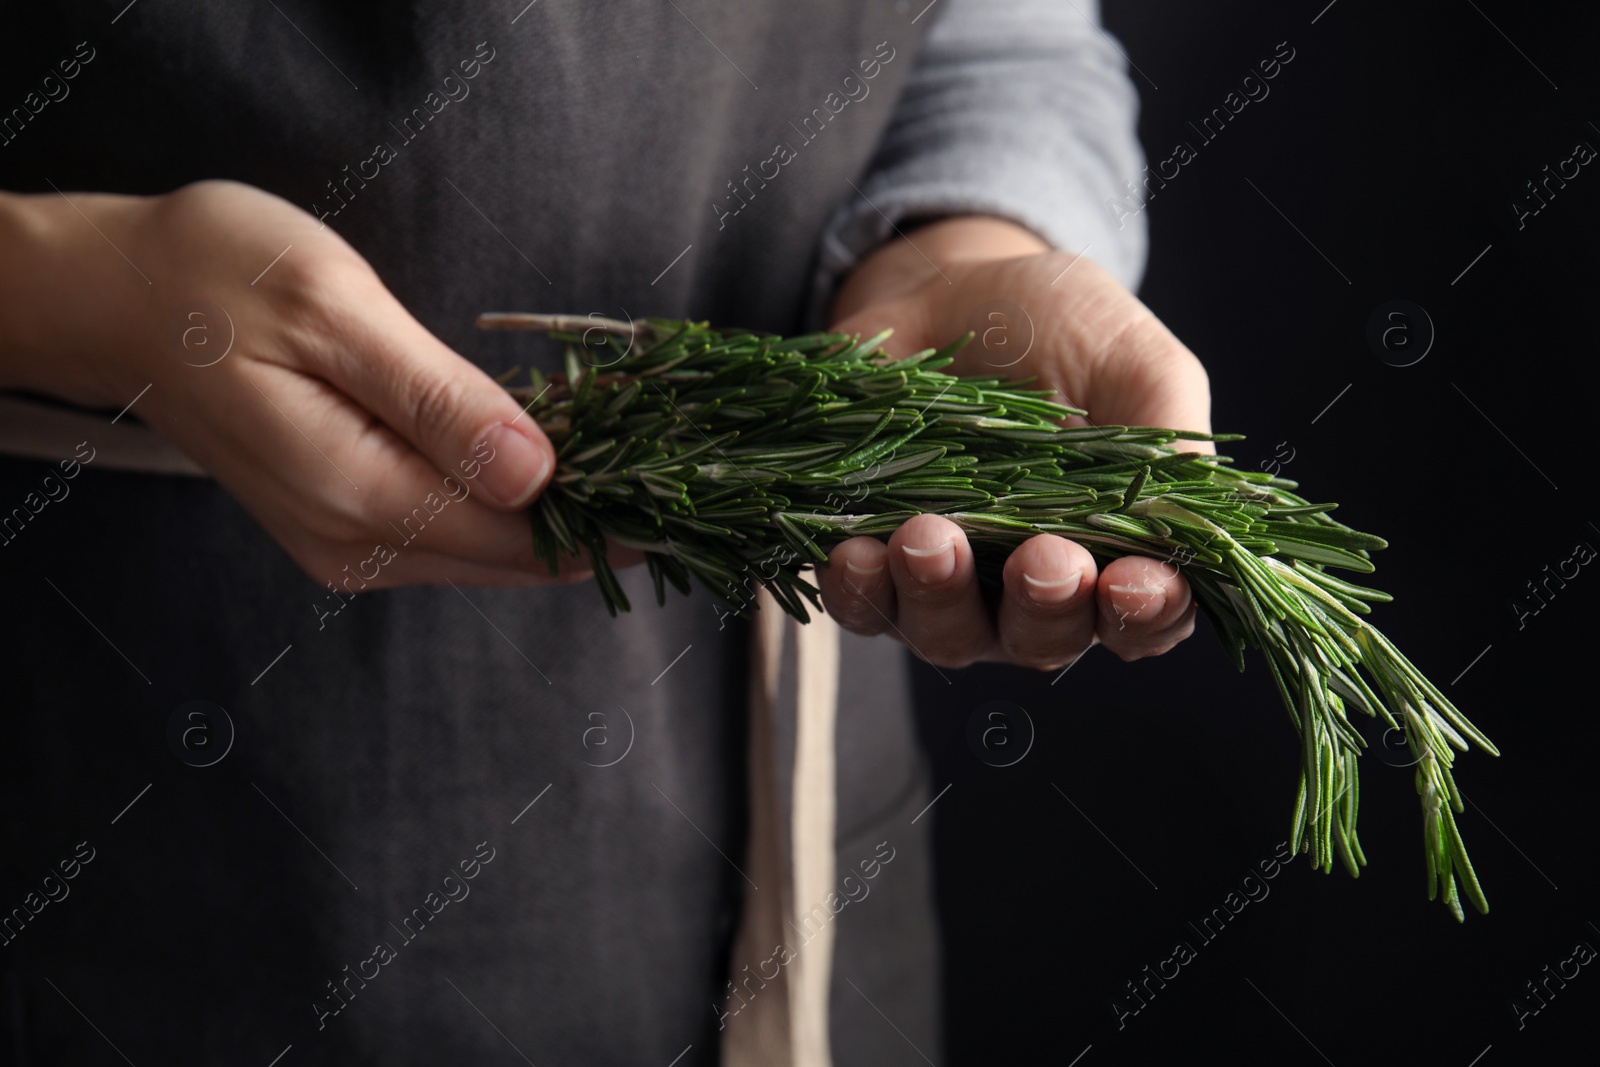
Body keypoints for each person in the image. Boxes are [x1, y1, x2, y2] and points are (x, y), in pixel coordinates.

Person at [0, 1, 1207, 1062]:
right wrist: (70, 293)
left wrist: (969, 247)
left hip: (785, 787)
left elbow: (999, 42)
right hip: (150, 785)